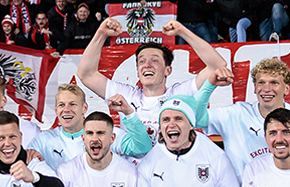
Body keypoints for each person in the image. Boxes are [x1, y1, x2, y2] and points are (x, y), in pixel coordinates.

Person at [75, 18, 230, 130]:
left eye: (154, 60)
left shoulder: (179, 94)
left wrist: (183, 32)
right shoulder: (127, 95)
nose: (147, 65)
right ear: (137, 71)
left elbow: (217, 65)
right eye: (142, 61)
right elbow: (86, 75)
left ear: (168, 70)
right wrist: (101, 34)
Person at [206, 58, 290, 176]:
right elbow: (195, 117)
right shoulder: (236, 114)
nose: (267, 89)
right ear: (254, 87)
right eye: (261, 82)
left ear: (287, 88)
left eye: (274, 83)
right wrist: (210, 85)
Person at [136, 95, 242, 187]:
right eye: (165, 120)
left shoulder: (216, 157)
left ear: (191, 124)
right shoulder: (148, 164)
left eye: (178, 119)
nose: (171, 124)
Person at [40, 111, 143, 187]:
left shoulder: (130, 172)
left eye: (100, 133)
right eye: (90, 133)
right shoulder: (66, 171)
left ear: (112, 138)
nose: (94, 139)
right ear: (83, 138)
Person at [28, 84, 152, 169]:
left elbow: (142, 147)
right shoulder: (43, 140)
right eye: (61, 105)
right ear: (55, 109)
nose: (66, 110)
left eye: (72, 104)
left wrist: (128, 113)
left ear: (85, 108)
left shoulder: (105, 132)